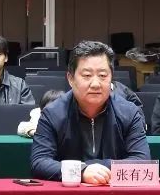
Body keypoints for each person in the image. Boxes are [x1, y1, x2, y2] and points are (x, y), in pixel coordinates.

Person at [29, 40, 151, 185]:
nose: (95, 84)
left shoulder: (129, 112)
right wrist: (81, 171)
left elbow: (142, 161)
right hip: (68, 194)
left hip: (115, 194)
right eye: (87, 75)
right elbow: (39, 161)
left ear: (111, 77)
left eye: (102, 75)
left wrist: (98, 168)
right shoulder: (52, 113)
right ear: (71, 79)